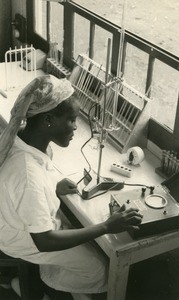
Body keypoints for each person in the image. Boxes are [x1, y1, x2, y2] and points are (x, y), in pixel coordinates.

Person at [0, 75, 142, 300]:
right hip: (24, 239)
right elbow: (44, 241)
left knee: (87, 246)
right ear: (48, 120)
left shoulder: (25, 141)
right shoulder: (28, 174)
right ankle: (50, 286)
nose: (76, 127)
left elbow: (22, 191)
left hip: (17, 222)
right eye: (72, 119)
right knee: (100, 268)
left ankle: (40, 283)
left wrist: (52, 187)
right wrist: (106, 226)